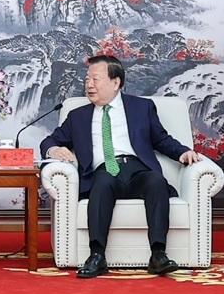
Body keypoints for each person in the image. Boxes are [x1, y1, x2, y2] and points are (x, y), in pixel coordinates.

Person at [45, 54, 191, 277]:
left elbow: (161, 139)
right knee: (102, 182)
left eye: (95, 79)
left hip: (137, 169)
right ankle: (97, 255)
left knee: (156, 181)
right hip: (104, 171)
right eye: (87, 80)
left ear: (116, 83)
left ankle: (159, 254)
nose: (89, 85)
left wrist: (183, 152)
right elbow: (50, 140)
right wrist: (53, 150)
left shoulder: (142, 107)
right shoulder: (78, 116)